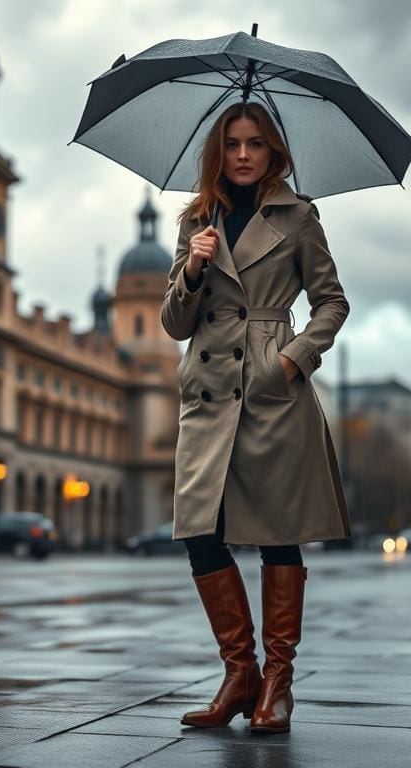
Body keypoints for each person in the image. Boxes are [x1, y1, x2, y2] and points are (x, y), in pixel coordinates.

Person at [160, 101, 351, 734]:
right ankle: (238, 674)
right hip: (209, 390)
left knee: (276, 531)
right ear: (218, 152)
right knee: (199, 530)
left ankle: (277, 682)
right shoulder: (197, 219)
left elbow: (331, 301)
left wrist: (291, 362)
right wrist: (193, 265)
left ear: (273, 153)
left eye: (256, 144)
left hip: (271, 390)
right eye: (234, 144)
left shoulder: (298, 217)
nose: (244, 154)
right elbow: (174, 323)